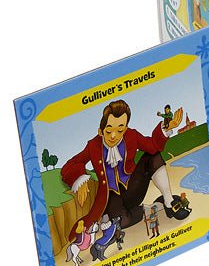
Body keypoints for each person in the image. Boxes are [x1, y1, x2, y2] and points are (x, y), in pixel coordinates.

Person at [60, 99, 190, 234]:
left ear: (125, 129)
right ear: (100, 131)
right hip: (111, 198)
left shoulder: (131, 135)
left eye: (120, 130)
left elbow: (152, 145)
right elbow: (70, 165)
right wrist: (80, 179)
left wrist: (166, 128)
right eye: (108, 131)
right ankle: (148, 208)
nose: (113, 136)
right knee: (122, 222)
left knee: (153, 156)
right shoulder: (93, 146)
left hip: (133, 187)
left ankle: (168, 201)